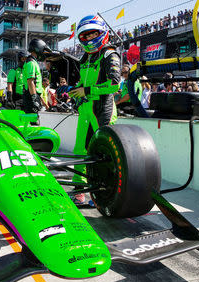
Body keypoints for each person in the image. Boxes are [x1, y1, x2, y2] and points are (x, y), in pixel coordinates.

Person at [68, 15, 121, 204]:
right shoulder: (84, 57)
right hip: (85, 109)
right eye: (85, 36)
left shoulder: (110, 54)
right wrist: (75, 93)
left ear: (102, 32)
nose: (89, 39)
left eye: (93, 34)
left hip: (103, 108)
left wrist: (87, 90)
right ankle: (79, 191)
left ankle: (105, 192)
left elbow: (115, 85)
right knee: (79, 150)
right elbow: (83, 82)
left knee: (102, 154)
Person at [22, 38, 52, 113]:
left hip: (33, 95)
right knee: (33, 121)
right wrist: (34, 98)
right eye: (43, 50)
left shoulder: (33, 62)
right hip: (31, 96)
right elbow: (30, 81)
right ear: (38, 49)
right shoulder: (31, 63)